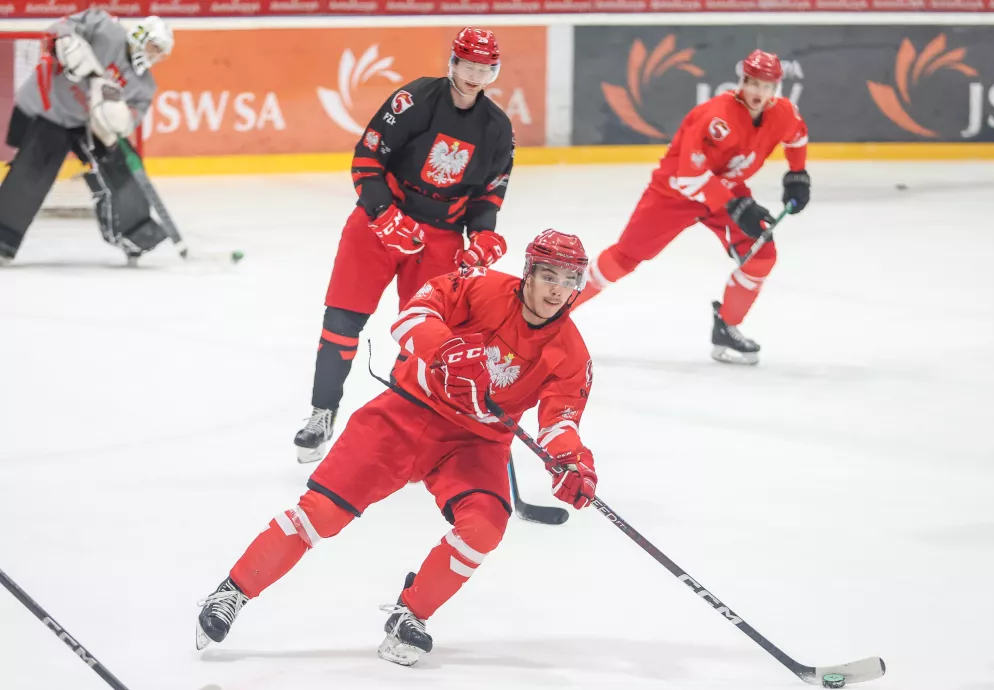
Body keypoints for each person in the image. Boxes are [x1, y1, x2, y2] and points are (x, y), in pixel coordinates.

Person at [197, 230, 597, 667]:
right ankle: (232, 592)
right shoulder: (481, 286)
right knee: (321, 513)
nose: (557, 290)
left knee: (484, 527)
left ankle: (411, 615)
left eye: (568, 280)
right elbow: (412, 314)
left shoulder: (572, 352)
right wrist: (444, 349)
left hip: (476, 443)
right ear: (528, 273)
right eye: (549, 276)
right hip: (408, 411)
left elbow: (560, 421)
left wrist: (570, 461)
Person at [294, 26, 516, 463]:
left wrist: (482, 235)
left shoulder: (497, 128)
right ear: (453, 63)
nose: (474, 76)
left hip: (441, 237)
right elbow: (367, 158)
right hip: (379, 224)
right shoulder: (414, 99)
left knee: (425, 336)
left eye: (484, 69)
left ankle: (402, 423)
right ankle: (322, 413)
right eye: (468, 66)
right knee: (341, 320)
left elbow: (489, 194)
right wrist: (382, 213)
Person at [573, 49, 811, 365]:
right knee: (624, 258)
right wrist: (736, 205)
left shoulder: (783, 113)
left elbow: (797, 136)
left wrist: (797, 174)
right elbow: (689, 178)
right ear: (742, 81)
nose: (759, 92)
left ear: (776, 88)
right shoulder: (714, 117)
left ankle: (727, 326)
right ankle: (556, 310)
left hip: (726, 192)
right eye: (753, 83)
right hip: (673, 195)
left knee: (761, 256)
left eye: (767, 86)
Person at [0, 11, 174, 265]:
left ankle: (136, 233)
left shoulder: (144, 85)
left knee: (120, 167)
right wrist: (66, 42)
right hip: (50, 109)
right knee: (32, 171)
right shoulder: (104, 28)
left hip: (91, 125)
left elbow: (130, 121)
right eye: (153, 47)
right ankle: (3, 237)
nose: (153, 56)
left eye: (160, 52)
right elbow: (59, 27)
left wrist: (117, 121)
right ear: (140, 36)